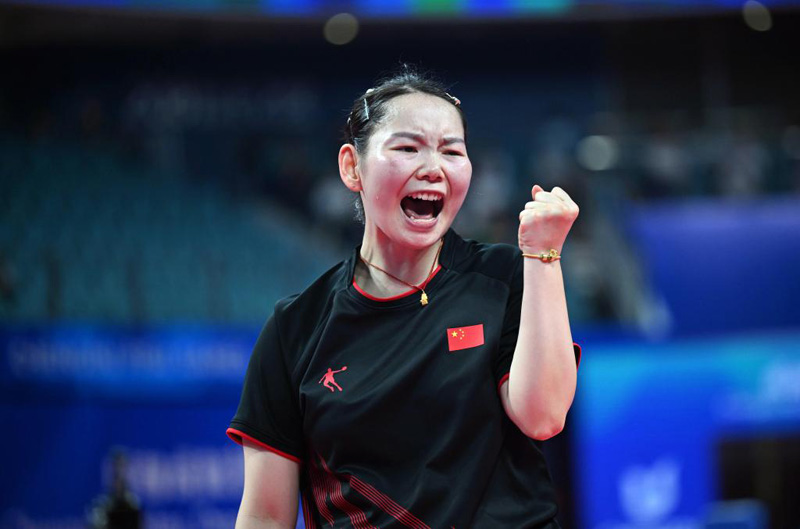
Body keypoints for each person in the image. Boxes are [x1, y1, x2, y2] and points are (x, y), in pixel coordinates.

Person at [227, 67, 581, 529]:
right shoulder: (295, 328)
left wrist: (544, 255)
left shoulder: (506, 276)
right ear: (352, 167)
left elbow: (544, 416)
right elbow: (265, 516)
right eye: (408, 148)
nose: (433, 168)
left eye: (451, 151)